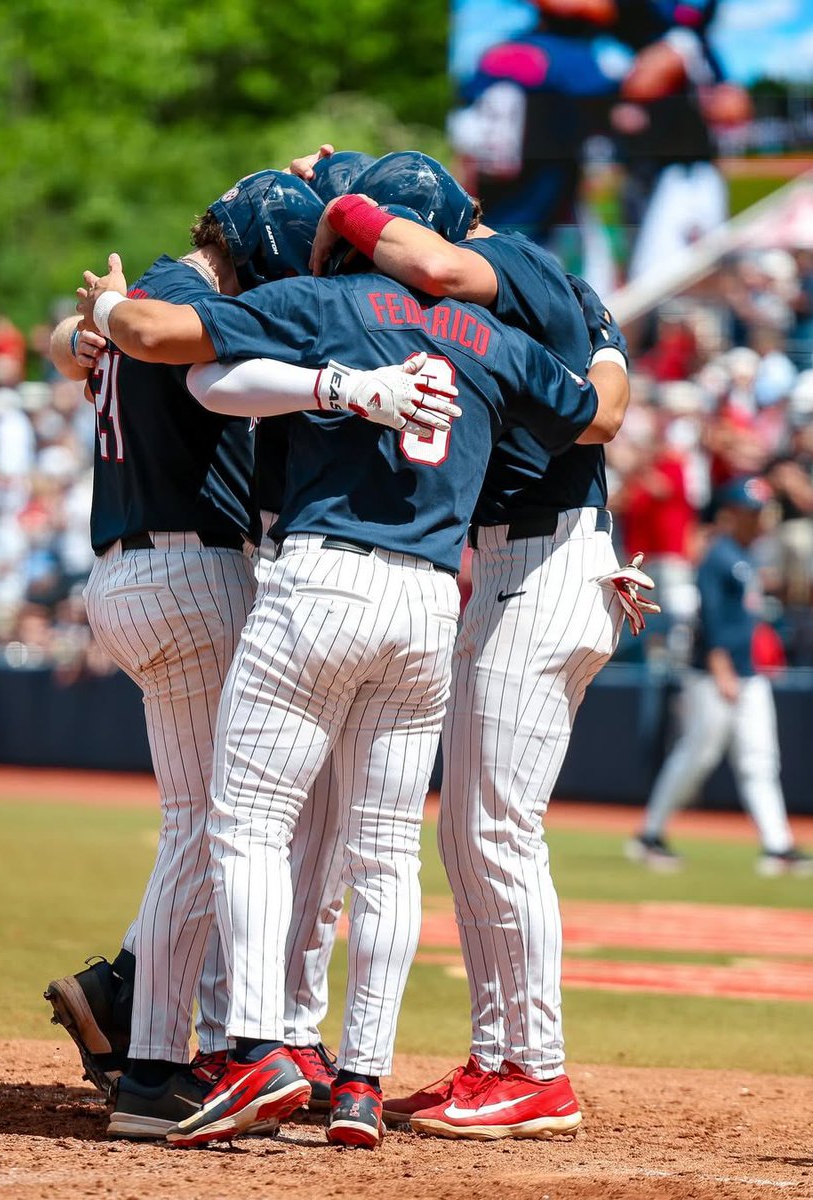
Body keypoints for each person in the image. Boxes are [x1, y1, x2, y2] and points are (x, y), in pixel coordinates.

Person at [75, 157, 628, 1148]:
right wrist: (602, 335)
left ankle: (256, 1049)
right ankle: (361, 1080)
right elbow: (594, 412)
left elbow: (182, 355)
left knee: (243, 825)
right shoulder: (486, 332)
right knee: (384, 850)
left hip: (322, 580)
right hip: (433, 598)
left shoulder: (321, 300)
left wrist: (109, 317)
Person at [45, 169, 444, 1138]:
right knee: (221, 822)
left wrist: (80, 322)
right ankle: (164, 1055)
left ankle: (170, 1017)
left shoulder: (148, 288)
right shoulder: (178, 297)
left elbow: (85, 339)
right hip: (193, 572)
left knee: (228, 813)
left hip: (129, 567)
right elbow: (157, 336)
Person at [305, 157, 654, 1140]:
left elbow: (443, 266)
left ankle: (535, 1070)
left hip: (542, 567)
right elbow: (605, 400)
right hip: (532, 565)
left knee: (495, 831)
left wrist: (341, 202)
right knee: (471, 829)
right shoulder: (556, 294)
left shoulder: (513, 260)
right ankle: (498, 1058)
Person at [628, 477, 813, 875]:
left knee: (760, 760)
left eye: (760, 512)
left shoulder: (744, 556)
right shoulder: (719, 555)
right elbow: (709, 617)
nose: (759, 520)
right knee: (698, 754)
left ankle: (777, 846)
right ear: (733, 515)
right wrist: (720, 668)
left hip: (746, 672)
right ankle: (649, 834)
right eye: (751, 512)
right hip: (716, 674)